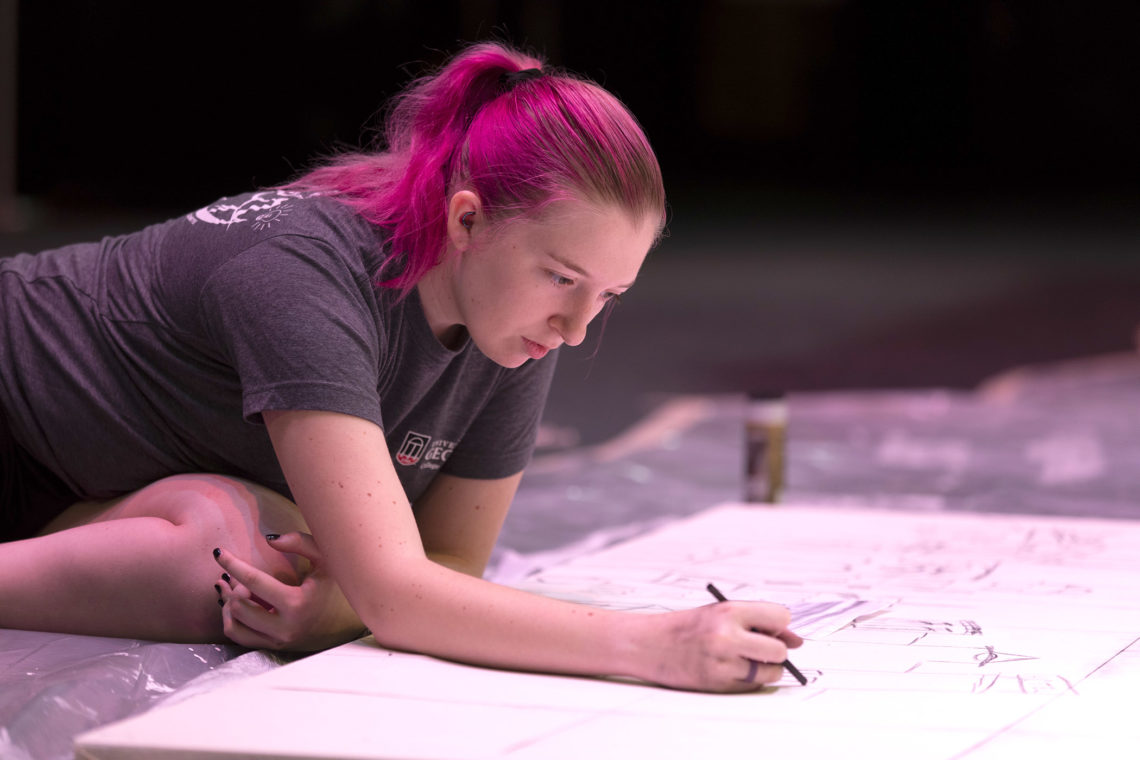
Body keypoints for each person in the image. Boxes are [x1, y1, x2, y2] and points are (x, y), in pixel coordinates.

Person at [0, 42, 800, 692]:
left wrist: (339, 607)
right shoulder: (303, 273)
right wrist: (656, 646)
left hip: (78, 478)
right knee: (269, 554)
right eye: (562, 278)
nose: (578, 328)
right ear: (467, 219)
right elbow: (401, 592)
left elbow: (449, 560)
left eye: (610, 294)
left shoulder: (516, 321)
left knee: (253, 564)